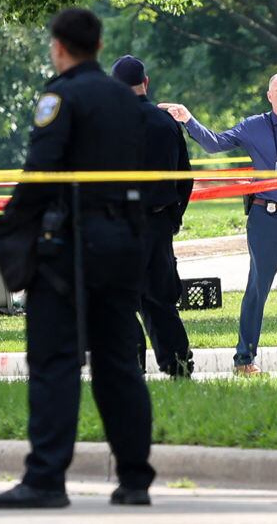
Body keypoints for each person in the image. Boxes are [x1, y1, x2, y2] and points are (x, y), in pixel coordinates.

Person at [0, 9, 155, 509]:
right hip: (123, 242)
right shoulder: (127, 100)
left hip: (70, 246)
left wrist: (5, 233)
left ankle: (45, 480)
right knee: (119, 362)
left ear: (59, 46)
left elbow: (40, 175)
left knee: (56, 361)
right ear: (99, 45)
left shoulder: (61, 97)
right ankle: (135, 478)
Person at [160, 73, 277, 374]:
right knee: (258, 288)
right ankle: (244, 360)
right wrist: (188, 119)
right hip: (266, 218)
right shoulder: (253, 126)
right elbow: (216, 143)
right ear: (269, 96)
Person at [111, 55, 194, 378]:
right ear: (145, 83)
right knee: (160, 300)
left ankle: (130, 369)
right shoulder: (167, 123)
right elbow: (185, 177)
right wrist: (173, 217)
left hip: (120, 226)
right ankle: (178, 365)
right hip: (158, 224)